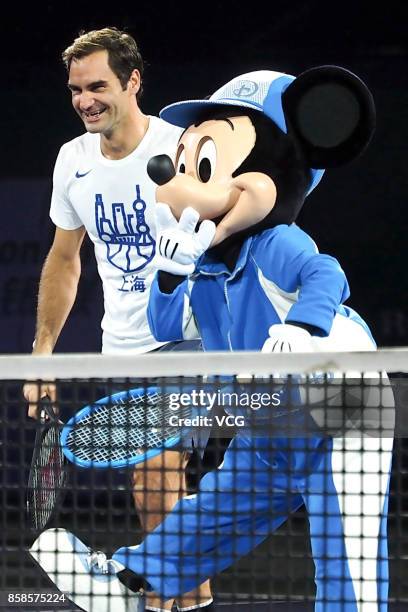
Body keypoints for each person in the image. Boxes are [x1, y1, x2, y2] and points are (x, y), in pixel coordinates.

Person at [31, 67, 394, 612]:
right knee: (215, 508)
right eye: (184, 165)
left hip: (341, 406)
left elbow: (327, 275)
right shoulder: (204, 271)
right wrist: (173, 273)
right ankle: (131, 580)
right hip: (272, 425)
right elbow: (164, 326)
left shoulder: (274, 242)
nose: (184, 183)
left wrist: (303, 329)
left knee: (347, 552)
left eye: (206, 165)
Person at [24, 27, 212, 612]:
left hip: (192, 341)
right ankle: (192, 599)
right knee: (155, 493)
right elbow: (64, 258)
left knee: (156, 480)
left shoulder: (183, 144)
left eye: (97, 85)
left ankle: (156, 598)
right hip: (122, 345)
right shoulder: (72, 160)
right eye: (76, 89)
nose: (84, 100)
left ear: (133, 82)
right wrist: (42, 352)